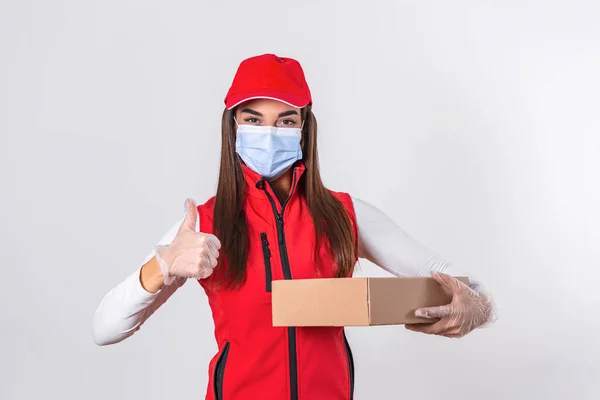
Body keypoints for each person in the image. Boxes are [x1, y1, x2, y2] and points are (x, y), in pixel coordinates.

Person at [92, 53, 497, 400]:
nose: (269, 134)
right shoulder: (202, 225)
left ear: (305, 129)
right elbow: (104, 328)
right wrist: (162, 266)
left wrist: (476, 308)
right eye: (254, 119)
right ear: (232, 126)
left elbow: (452, 280)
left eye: (286, 121)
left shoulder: (345, 214)